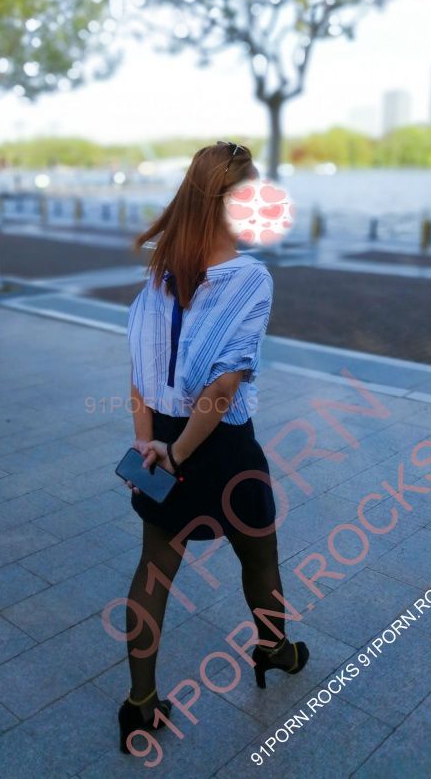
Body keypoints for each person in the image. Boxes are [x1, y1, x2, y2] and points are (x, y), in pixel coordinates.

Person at [117, 141, 309, 754]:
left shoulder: (157, 278)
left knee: (153, 572)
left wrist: (150, 447)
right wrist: (176, 455)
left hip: (162, 439)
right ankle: (274, 649)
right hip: (222, 449)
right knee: (260, 555)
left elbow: (138, 378)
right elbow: (223, 389)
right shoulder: (249, 279)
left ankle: (140, 705)